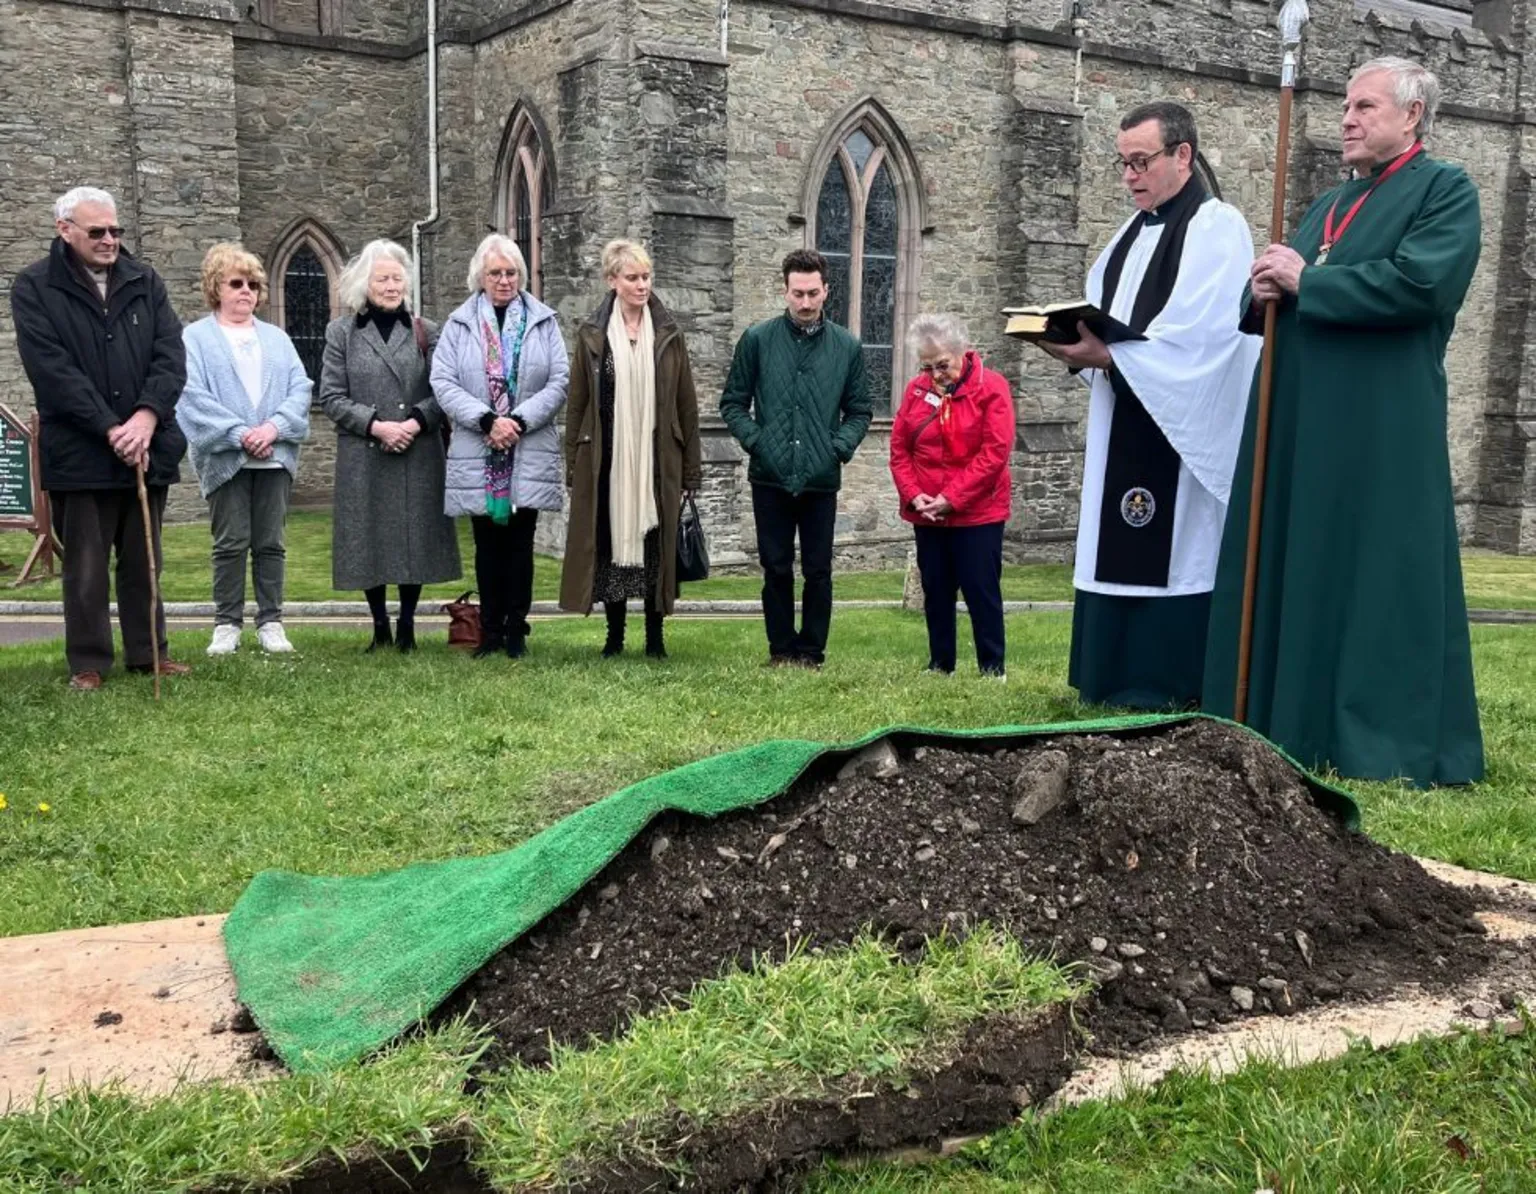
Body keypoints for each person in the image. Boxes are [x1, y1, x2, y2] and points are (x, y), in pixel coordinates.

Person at [1204, 58, 1484, 786]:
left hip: (1378, 428)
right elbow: (1276, 299)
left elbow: (1422, 284)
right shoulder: (1329, 203)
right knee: (1297, 560)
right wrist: (1263, 284)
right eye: (1343, 107)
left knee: (1373, 573)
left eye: (1364, 106)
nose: (1347, 119)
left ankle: (1377, 739)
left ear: (1413, 114)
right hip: (1299, 422)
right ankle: (1283, 718)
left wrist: (1307, 280)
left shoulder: (1445, 190)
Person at [1029, 102, 1258, 710]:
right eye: (1122, 163)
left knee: (1175, 544)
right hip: (1124, 414)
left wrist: (1115, 358)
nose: (1130, 175)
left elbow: (1209, 340)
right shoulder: (1128, 236)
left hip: (1178, 431)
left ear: (1183, 155)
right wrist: (1076, 348)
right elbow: (1107, 320)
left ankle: (1166, 682)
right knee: (1115, 538)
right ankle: (1109, 678)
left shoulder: (1217, 226)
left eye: (1141, 161)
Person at [9, 186, 190, 690]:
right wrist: (110, 426)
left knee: (143, 559)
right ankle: (88, 661)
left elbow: (170, 355)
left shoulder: (144, 280)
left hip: (146, 446)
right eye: (98, 232)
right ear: (64, 230)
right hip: (81, 449)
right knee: (86, 565)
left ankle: (149, 651)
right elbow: (52, 371)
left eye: (116, 230)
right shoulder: (34, 287)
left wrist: (147, 418)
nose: (110, 240)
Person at [719, 248, 872, 668]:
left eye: (813, 293)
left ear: (826, 291)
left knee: (819, 571)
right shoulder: (757, 340)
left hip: (820, 477)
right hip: (770, 475)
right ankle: (781, 648)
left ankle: (812, 650)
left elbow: (860, 409)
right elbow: (733, 403)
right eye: (797, 294)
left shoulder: (846, 347)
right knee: (776, 568)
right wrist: (759, 442)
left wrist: (837, 449)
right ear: (785, 292)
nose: (805, 303)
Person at [559, 240, 702, 658]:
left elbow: (686, 405)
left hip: (659, 459)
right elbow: (578, 404)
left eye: (646, 277)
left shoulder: (669, 332)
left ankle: (655, 639)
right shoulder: (592, 334)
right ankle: (615, 636)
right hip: (607, 460)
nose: (642, 285)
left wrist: (690, 472)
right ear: (612, 280)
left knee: (655, 548)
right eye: (633, 278)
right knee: (609, 546)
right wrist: (574, 466)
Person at [319, 239, 461, 653]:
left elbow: (444, 389)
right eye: (382, 278)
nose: (391, 285)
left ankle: (408, 628)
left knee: (412, 538)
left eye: (397, 278)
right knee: (370, 538)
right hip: (366, 451)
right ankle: (379, 625)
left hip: (417, 450)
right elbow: (330, 396)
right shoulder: (340, 333)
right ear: (366, 283)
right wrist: (377, 426)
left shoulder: (426, 331)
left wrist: (415, 422)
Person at [431, 234, 567, 659]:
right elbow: (443, 382)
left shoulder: (544, 321)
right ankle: (488, 631)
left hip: (527, 445)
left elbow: (560, 380)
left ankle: (516, 631)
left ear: (521, 276)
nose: (504, 280)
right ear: (481, 277)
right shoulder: (459, 324)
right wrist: (488, 420)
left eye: (511, 273)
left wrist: (519, 421)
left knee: (520, 545)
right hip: (479, 445)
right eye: (496, 273)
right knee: (487, 545)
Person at [177, 244, 310, 655]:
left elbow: (300, 388)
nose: (246, 291)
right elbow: (191, 396)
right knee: (230, 542)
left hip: (274, 457)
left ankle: (271, 620)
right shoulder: (195, 338)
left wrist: (272, 428)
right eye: (236, 283)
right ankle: (227, 623)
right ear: (216, 287)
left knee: (270, 543)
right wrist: (238, 433)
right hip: (225, 458)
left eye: (253, 284)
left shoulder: (277, 339)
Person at [889, 314, 1016, 678]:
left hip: (978, 512)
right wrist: (915, 496)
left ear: (963, 352)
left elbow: (994, 454)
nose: (935, 375)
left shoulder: (992, 388)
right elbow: (899, 449)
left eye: (942, 365)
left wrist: (951, 497)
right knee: (937, 590)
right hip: (928, 512)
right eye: (927, 367)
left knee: (981, 591)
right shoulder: (916, 390)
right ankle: (940, 664)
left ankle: (992, 668)